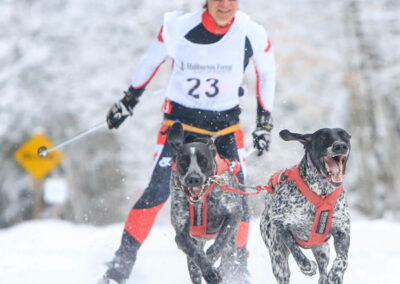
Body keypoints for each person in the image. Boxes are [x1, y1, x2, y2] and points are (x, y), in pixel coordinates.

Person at [100, 0, 276, 283]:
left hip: (225, 129)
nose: (225, 4)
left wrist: (264, 122)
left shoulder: (251, 31)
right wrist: (128, 100)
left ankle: (238, 271)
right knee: (157, 191)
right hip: (180, 126)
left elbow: (267, 71)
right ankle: (118, 269)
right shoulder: (178, 26)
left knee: (239, 198)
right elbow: (151, 61)